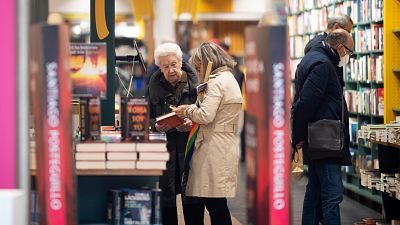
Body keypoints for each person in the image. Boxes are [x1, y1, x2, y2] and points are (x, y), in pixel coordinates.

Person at [173, 42, 243, 225]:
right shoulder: (229, 78)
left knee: (215, 202)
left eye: (198, 66)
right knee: (217, 201)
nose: (197, 70)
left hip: (213, 146)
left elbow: (205, 115)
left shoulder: (215, 82)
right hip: (223, 143)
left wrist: (186, 111)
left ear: (206, 62)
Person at [291, 29, 354, 225]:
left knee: (315, 191)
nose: (348, 57)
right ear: (340, 47)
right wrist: (297, 136)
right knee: (332, 194)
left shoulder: (315, 58)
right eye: (350, 52)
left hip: (320, 136)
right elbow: (305, 104)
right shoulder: (322, 64)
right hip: (325, 138)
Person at [146, 42, 198, 225]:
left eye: (173, 64)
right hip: (166, 147)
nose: (170, 70)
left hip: (191, 146)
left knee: (191, 193)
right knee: (167, 195)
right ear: (159, 68)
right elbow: (147, 117)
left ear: (181, 62)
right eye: (165, 66)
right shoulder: (154, 83)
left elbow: (208, 114)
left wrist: (193, 122)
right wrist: (155, 126)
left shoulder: (196, 82)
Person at [304, 15, 354, 88]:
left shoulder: (328, 46)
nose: (348, 35)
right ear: (336, 27)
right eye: (347, 32)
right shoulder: (320, 48)